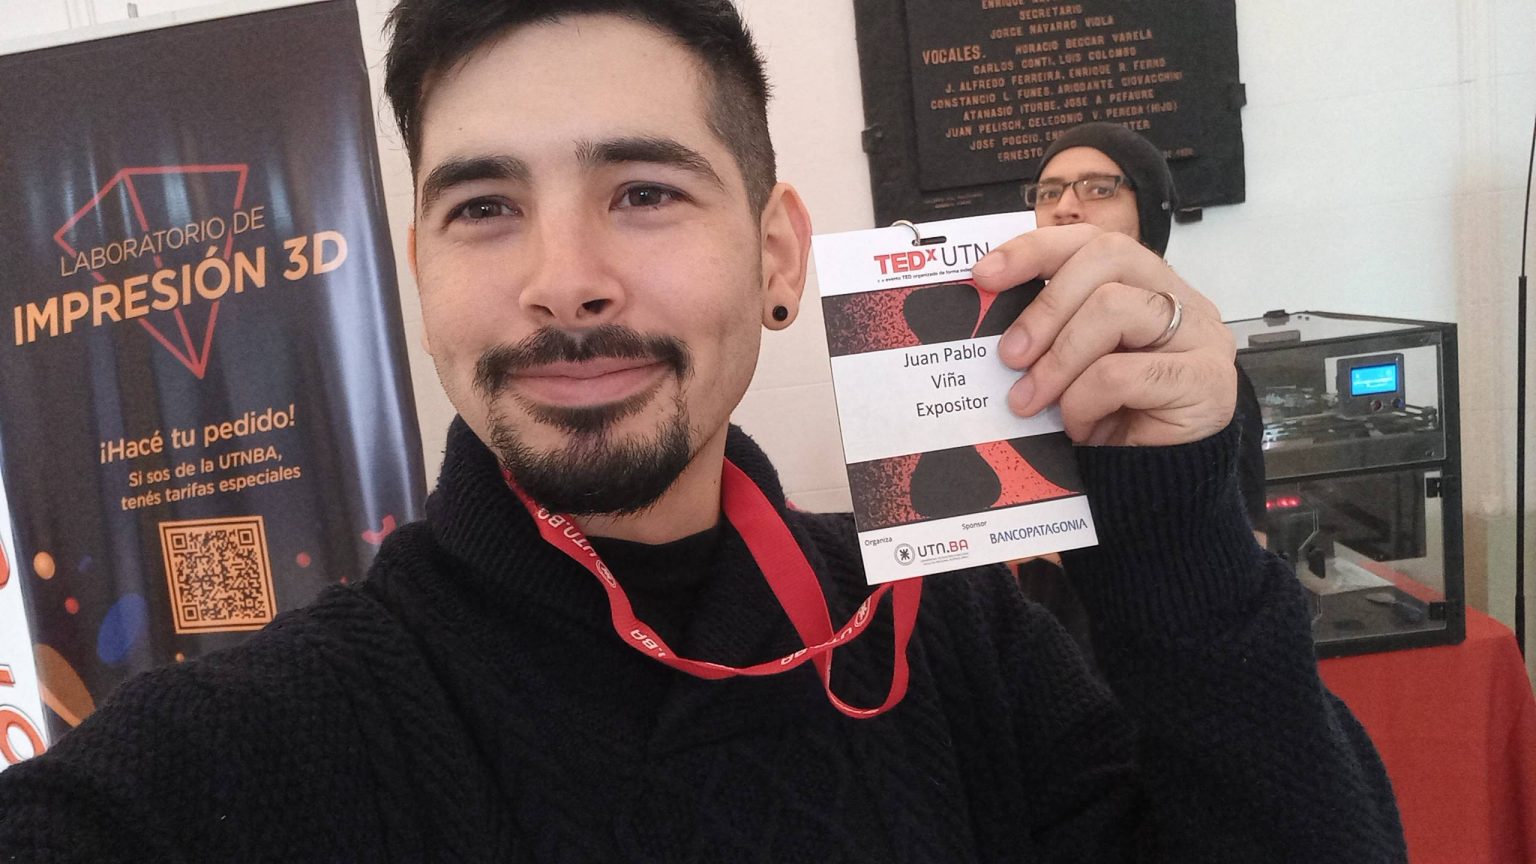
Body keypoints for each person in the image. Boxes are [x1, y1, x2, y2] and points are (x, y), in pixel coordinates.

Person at [0, 2, 1404, 861]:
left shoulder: (955, 642)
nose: (564, 280)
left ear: (776, 255)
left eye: (645, 192)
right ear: (419, 272)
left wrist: (1174, 534)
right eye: (484, 208)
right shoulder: (264, 746)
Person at [1016, 122, 1271, 657]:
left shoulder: (1197, 373)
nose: (1065, 207)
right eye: (1048, 192)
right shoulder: (1013, 355)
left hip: (1162, 648)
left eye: (1099, 188)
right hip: (1038, 653)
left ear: (1150, 214)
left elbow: (1247, 546)